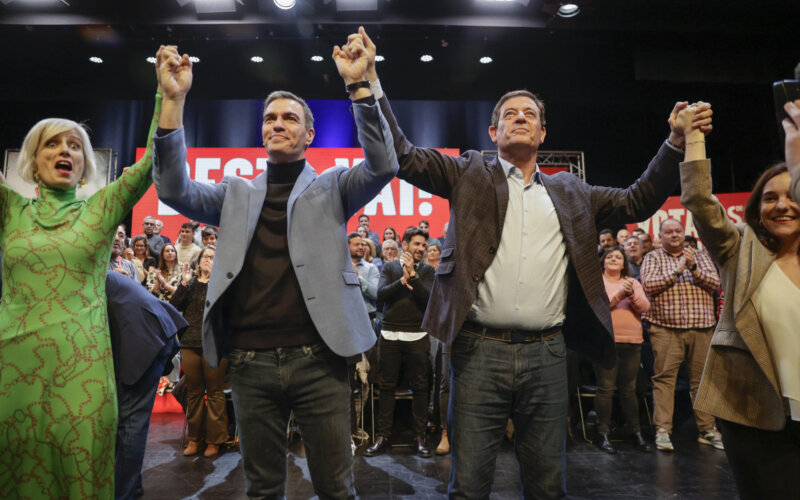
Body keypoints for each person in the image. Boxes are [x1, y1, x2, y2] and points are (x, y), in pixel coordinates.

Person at [352, 26, 712, 498]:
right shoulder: (468, 173)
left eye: (530, 115)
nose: (519, 119)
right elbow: (402, 154)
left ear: (543, 132)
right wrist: (367, 83)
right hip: (478, 352)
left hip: (547, 354)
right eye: (509, 114)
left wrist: (673, 143)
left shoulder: (572, 191)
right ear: (493, 131)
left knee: (547, 487)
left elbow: (639, 199)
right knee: (469, 486)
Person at [152, 38, 396, 498]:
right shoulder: (234, 194)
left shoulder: (334, 187)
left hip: (319, 360)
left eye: (289, 118)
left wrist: (359, 86)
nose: (277, 124)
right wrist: (173, 99)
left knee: (336, 488)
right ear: (261, 132)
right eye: (270, 118)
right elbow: (171, 188)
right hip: (248, 363)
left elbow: (384, 163)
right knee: (262, 490)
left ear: (310, 135)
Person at [0, 84, 162, 498]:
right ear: (33, 160)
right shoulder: (10, 210)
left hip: (82, 371)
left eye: (74, 146)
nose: (65, 152)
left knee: (82, 475)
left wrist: (169, 96)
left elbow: (151, 164)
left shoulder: (100, 210)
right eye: (52, 144)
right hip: (12, 370)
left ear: (85, 162)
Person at [678, 100, 800, 499]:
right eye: (769, 198)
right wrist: (693, 137)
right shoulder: (741, 250)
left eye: (791, 194)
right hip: (752, 410)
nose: (781, 205)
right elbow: (698, 201)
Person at [107, 253, 185, 499]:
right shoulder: (91, 276)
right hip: (150, 332)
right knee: (127, 420)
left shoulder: (78, 282)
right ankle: (131, 484)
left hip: (146, 339)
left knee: (130, 422)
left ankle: (124, 493)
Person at [641, 217, 722, 451]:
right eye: (669, 232)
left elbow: (714, 283)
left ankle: (707, 429)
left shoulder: (699, 257)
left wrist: (693, 268)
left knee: (702, 382)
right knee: (665, 380)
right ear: (660, 236)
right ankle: (663, 430)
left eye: (678, 231)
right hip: (666, 329)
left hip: (701, 327)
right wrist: (677, 271)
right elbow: (649, 285)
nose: (675, 235)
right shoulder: (653, 257)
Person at [366, 227, 434, 458]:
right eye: (417, 244)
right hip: (390, 335)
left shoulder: (427, 271)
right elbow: (381, 295)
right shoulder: (388, 267)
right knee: (386, 386)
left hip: (417, 335)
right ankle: (383, 436)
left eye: (424, 245)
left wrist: (413, 276)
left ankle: (419, 437)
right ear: (404, 245)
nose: (421, 248)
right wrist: (403, 279)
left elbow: (428, 301)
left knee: (420, 388)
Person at [170, 245, 229, 458]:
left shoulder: (223, 284)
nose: (207, 260)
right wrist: (184, 283)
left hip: (216, 343)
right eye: (205, 256)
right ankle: (195, 438)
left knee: (214, 392)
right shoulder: (191, 283)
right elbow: (174, 305)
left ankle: (215, 440)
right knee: (194, 393)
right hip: (190, 342)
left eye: (212, 257)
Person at [594, 246, 651, 454]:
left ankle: (635, 433)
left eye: (618, 257)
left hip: (632, 342)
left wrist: (632, 293)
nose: (614, 259)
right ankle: (603, 433)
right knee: (606, 388)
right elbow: (600, 307)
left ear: (624, 263)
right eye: (609, 257)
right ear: (603, 262)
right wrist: (620, 294)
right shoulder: (598, 282)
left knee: (629, 389)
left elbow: (644, 308)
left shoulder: (633, 282)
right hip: (607, 342)